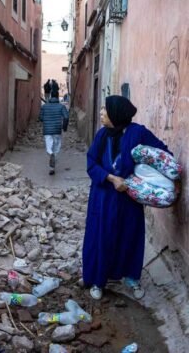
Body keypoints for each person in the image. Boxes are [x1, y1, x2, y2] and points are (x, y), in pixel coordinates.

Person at [82, 95, 170, 300]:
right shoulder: (102, 135)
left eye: (105, 109)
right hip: (103, 197)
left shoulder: (138, 133)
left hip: (129, 197)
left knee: (129, 235)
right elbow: (91, 163)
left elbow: (162, 155)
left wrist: (143, 178)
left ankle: (131, 278)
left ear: (116, 113)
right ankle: (98, 280)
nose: (102, 113)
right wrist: (111, 178)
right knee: (101, 237)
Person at [39, 91, 69, 175]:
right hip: (57, 129)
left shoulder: (44, 106)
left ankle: (50, 154)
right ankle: (52, 164)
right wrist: (64, 128)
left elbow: (40, 118)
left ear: (50, 97)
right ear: (57, 97)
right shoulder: (61, 106)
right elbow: (66, 117)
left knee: (49, 146)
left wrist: (46, 120)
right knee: (56, 146)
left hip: (47, 130)